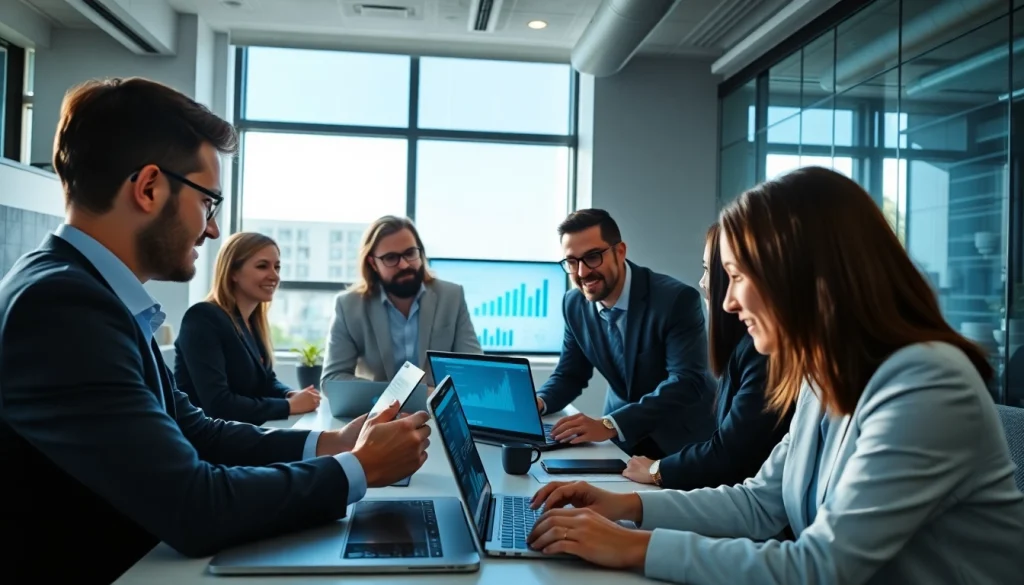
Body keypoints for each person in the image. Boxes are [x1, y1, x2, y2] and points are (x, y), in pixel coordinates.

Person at [0, 78, 430, 585]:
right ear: (149, 188)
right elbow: (192, 504)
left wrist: (335, 442)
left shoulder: (86, 292)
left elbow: (196, 430)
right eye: (209, 203)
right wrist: (359, 469)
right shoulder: (63, 306)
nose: (213, 230)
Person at [525, 167, 1024, 584]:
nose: (726, 301)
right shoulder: (819, 378)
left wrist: (633, 547)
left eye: (738, 276)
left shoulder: (926, 383)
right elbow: (761, 504)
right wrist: (622, 506)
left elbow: (821, 567)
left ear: (802, 274)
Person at [622, 223, 791, 488]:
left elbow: (732, 457)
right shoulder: (745, 347)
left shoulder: (763, 353)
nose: (702, 283)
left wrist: (658, 470)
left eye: (708, 270)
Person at [536, 209, 714, 459]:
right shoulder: (573, 304)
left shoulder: (675, 300)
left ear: (620, 252)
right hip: (621, 441)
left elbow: (686, 381)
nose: (583, 272)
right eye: (572, 262)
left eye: (593, 257)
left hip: (681, 441)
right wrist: (539, 402)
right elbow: (570, 374)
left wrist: (610, 424)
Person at [174, 232, 321, 425]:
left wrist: (289, 394)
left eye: (277, 267)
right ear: (233, 272)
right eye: (262, 266)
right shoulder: (202, 318)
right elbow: (219, 404)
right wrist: (289, 406)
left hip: (241, 436)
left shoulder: (251, 322)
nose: (274, 276)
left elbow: (266, 380)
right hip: (204, 444)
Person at [321, 215, 481, 386]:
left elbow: (474, 371)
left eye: (410, 253)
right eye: (391, 258)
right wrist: (406, 397)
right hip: (377, 410)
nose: (404, 265)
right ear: (373, 263)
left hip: (435, 411)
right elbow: (332, 380)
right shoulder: (349, 306)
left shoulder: (452, 297)